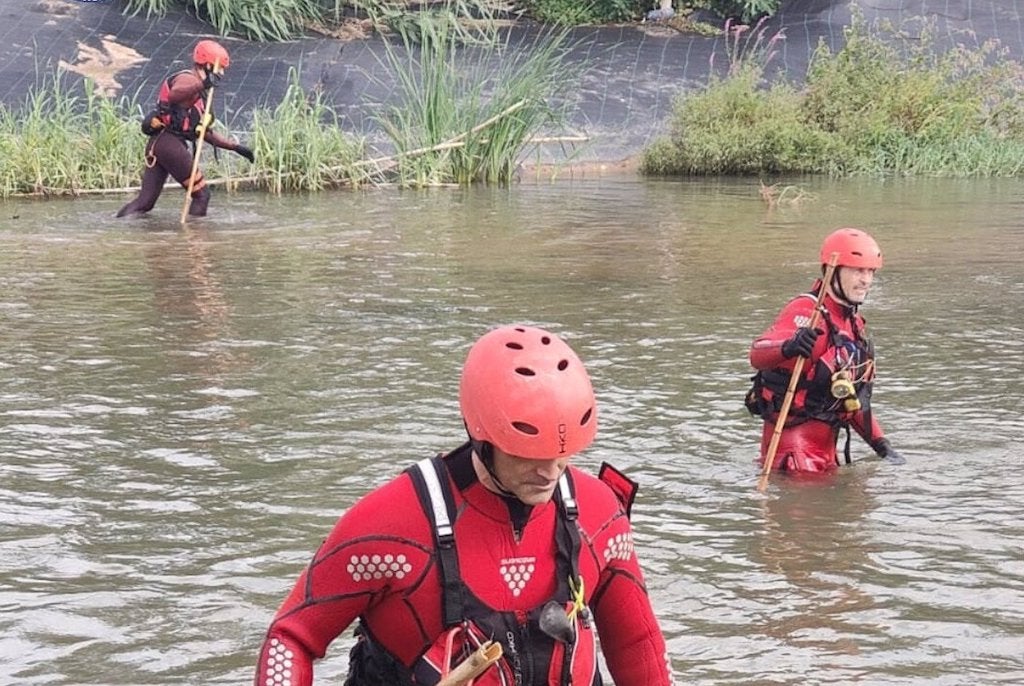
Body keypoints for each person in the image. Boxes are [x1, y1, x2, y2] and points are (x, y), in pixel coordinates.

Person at [253, 325, 674, 686]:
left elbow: (637, 645)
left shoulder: (599, 517)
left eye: (562, 456)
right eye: (527, 453)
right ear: (482, 434)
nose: (550, 472)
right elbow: (291, 638)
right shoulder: (390, 526)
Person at [745, 228, 906, 473]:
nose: (866, 280)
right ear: (833, 270)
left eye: (870, 271)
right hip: (794, 459)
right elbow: (757, 354)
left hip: (826, 456)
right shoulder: (806, 313)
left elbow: (852, 400)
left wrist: (882, 446)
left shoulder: (851, 323)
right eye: (857, 270)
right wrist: (788, 347)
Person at [116, 39, 253, 218]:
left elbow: (203, 132)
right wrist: (202, 84)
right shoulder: (188, 79)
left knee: (145, 203)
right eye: (220, 68)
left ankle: (117, 225)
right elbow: (174, 95)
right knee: (202, 195)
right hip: (169, 145)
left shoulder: (201, 91)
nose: (222, 73)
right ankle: (195, 239)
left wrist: (236, 148)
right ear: (208, 65)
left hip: (159, 145)